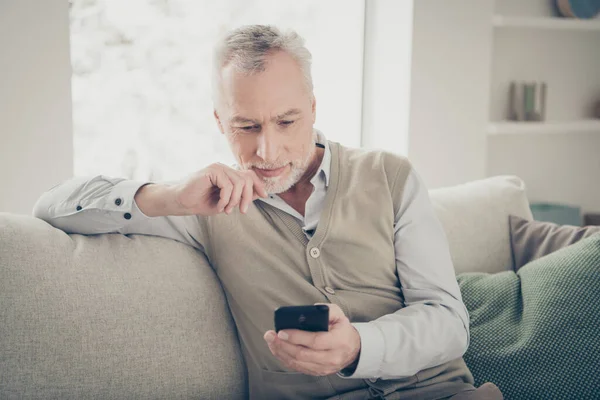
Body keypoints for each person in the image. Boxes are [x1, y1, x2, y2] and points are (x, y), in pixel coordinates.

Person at [33, 25, 502, 400]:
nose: (268, 149)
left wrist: (360, 345)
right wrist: (170, 197)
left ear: (313, 107)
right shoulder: (206, 204)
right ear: (220, 122)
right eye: (246, 126)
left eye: (287, 121)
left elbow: (447, 322)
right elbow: (53, 205)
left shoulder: (388, 175)